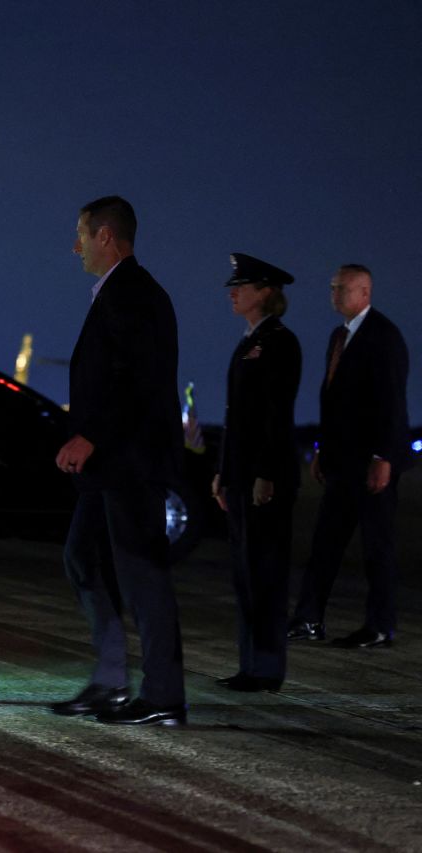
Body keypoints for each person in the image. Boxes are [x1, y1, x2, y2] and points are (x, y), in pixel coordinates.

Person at [51, 196, 186, 726]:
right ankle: (110, 682)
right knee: (83, 559)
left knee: (142, 574)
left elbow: (138, 380)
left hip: (130, 461)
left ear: (106, 236)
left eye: (81, 234)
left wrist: (91, 436)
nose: (75, 245)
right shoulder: (117, 293)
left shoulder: (133, 294)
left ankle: (164, 697)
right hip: (110, 464)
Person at [288, 264, 411, 648]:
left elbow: (392, 402)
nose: (334, 294)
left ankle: (379, 625)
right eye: (332, 287)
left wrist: (384, 457)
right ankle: (309, 619)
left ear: (364, 293)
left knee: (378, 546)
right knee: (325, 543)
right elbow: (333, 402)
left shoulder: (383, 337)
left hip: (370, 461)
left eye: (342, 288)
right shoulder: (339, 337)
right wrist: (322, 449)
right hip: (341, 461)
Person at [210, 253, 301, 691]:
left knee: (265, 574)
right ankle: (250, 665)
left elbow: (274, 416)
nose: (233, 293)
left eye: (242, 286)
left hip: (264, 478)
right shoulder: (250, 341)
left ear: (265, 291)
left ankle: (266, 670)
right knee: (246, 573)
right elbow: (236, 416)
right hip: (241, 476)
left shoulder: (280, 342)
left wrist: (265, 473)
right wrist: (223, 473)